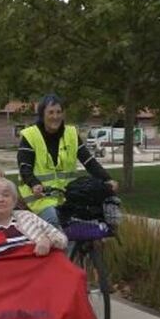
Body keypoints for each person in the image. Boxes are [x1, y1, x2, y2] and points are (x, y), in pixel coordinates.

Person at [17, 94, 118, 227]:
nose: (55, 116)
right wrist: (34, 183)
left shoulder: (71, 134)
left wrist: (107, 179)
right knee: (55, 219)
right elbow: (25, 167)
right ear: (42, 114)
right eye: (51, 112)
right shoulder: (30, 135)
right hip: (40, 198)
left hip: (67, 197)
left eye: (59, 112)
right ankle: (61, 248)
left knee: (96, 216)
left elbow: (89, 161)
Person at [0, 176, 68, 255]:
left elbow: (62, 239)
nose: (0, 199)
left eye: (6, 195)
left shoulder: (28, 216)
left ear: (14, 201)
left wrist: (48, 241)